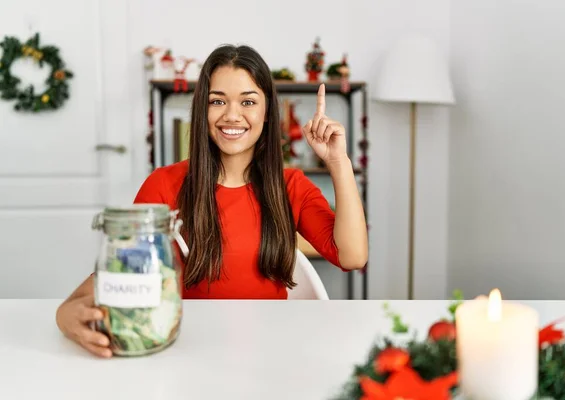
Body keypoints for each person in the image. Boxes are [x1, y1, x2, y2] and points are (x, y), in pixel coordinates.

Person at [55, 44, 368, 358]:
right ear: (201, 110)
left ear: (268, 112)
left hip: (268, 351)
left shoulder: (291, 186)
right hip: (186, 350)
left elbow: (352, 256)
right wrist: (66, 313)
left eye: (248, 101)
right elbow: (122, 268)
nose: (232, 115)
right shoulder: (164, 185)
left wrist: (338, 162)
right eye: (217, 101)